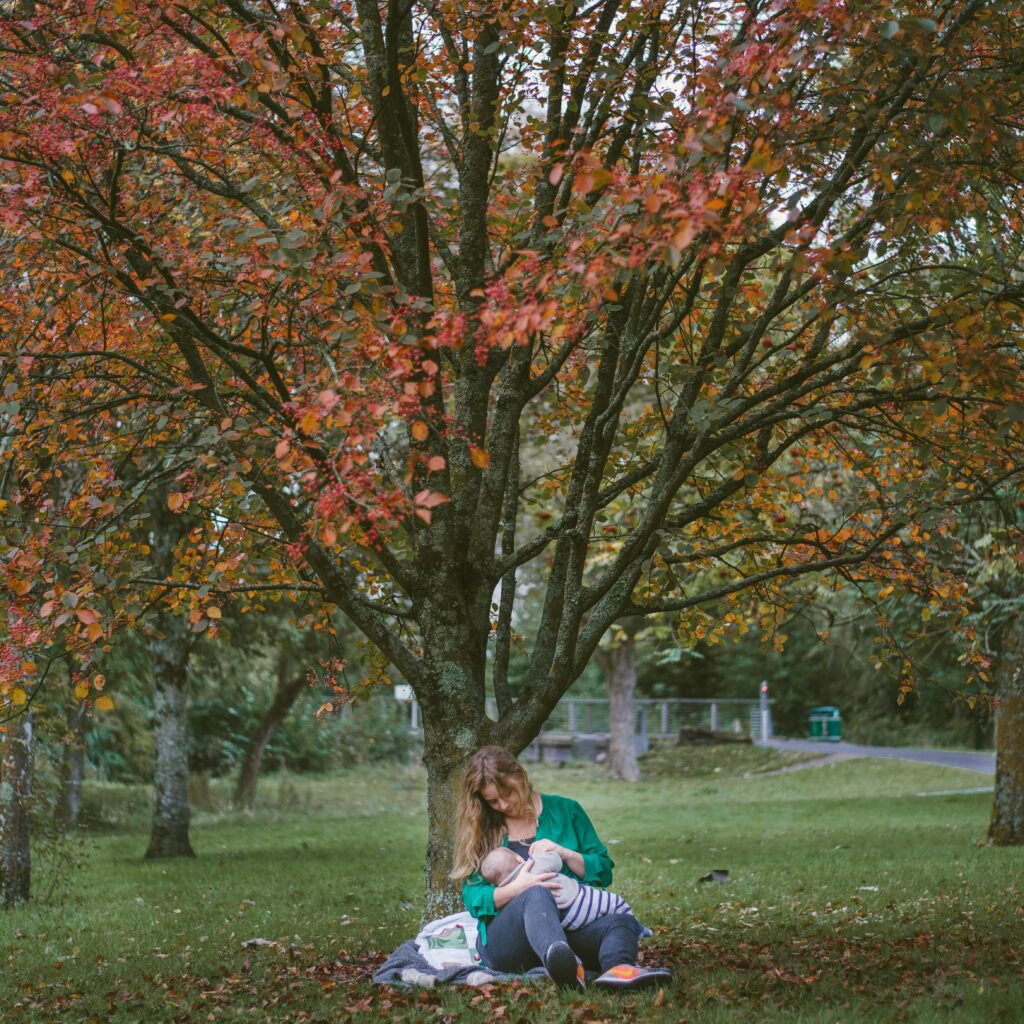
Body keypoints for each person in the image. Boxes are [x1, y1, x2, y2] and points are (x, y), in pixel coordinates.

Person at [451, 745, 671, 991]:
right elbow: (472, 896)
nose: (502, 804)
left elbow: (603, 871)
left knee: (622, 921)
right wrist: (518, 888)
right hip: (510, 942)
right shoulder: (484, 828)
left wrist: (564, 853)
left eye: (508, 793)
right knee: (536, 892)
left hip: (571, 932)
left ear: (520, 775)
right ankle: (562, 964)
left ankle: (616, 970)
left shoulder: (567, 810)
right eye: (492, 800)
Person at [480, 846, 633, 930]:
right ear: (519, 859)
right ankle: (636, 930)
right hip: (578, 901)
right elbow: (555, 861)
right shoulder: (533, 865)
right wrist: (545, 854)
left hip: (563, 922)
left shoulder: (508, 896)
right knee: (616, 904)